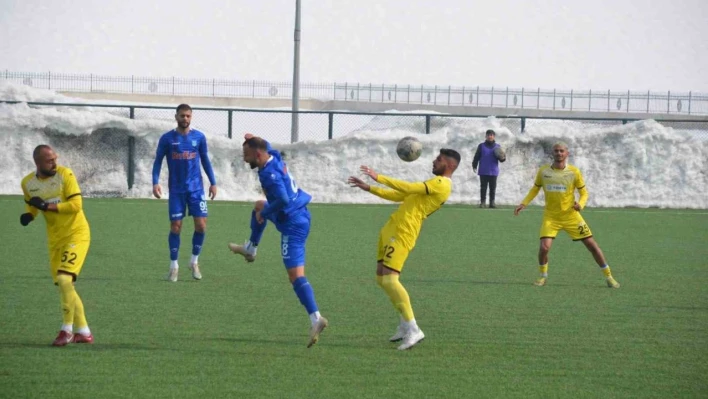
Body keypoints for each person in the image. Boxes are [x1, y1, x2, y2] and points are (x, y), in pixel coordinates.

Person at [348, 148, 461, 350]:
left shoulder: (442, 183)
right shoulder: (432, 184)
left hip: (403, 232)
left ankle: (414, 328)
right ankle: (403, 324)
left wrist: (378, 177)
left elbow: (407, 186)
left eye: (440, 159)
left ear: (450, 166)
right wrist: (369, 188)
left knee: (391, 279)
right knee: (382, 279)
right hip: (392, 228)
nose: (435, 161)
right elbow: (400, 194)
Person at [228, 134, 328, 348]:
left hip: (292, 222)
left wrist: (266, 212)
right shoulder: (272, 155)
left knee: (295, 276)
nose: (245, 159)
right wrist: (252, 137)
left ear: (257, 154)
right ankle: (250, 249)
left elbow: (281, 199)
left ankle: (316, 318)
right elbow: (267, 145)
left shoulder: (269, 174)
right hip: (300, 214)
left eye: (246, 155)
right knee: (258, 205)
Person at [514, 141, 620, 288]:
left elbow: (584, 192)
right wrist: (523, 203)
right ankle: (543, 276)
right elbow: (535, 189)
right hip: (551, 217)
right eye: (556, 151)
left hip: (571, 216)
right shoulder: (544, 171)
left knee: (592, 245)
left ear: (567, 153)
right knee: (544, 248)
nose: (559, 153)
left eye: (561, 151)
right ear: (553, 153)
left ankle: (609, 276)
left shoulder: (574, 172)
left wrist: (580, 205)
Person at [20, 145, 94, 346]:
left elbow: (76, 206)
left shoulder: (65, 175)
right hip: (55, 239)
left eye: (55, 158)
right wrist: (30, 214)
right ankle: (84, 331)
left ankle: (66, 330)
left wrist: (46, 206)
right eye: (49, 160)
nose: (55, 162)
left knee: (64, 279)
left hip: (76, 234)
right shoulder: (28, 183)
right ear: (38, 163)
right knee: (66, 285)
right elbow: (33, 203)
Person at [152, 104, 217, 282]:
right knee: (176, 227)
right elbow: (158, 161)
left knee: (201, 226)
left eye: (188, 116)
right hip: (176, 190)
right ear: (176, 117)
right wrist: (155, 182)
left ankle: (194, 262)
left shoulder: (199, 137)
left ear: (191, 117)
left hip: (196, 189)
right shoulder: (167, 139)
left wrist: (213, 182)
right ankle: (174, 267)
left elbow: (205, 161)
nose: (185, 119)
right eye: (182, 116)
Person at [472, 129, 506, 208]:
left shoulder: (497, 147)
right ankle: (483, 202)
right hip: (483, 170)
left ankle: (492, 203)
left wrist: (502, 158)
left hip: (493, 171)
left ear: (494, 137)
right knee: (483, 187)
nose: (490, 136)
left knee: (492, 188)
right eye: (488, 135)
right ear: (486, 136)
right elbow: (477, 156)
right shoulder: (481, 146)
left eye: (491, 135)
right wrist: (474, 165)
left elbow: (502, 159)